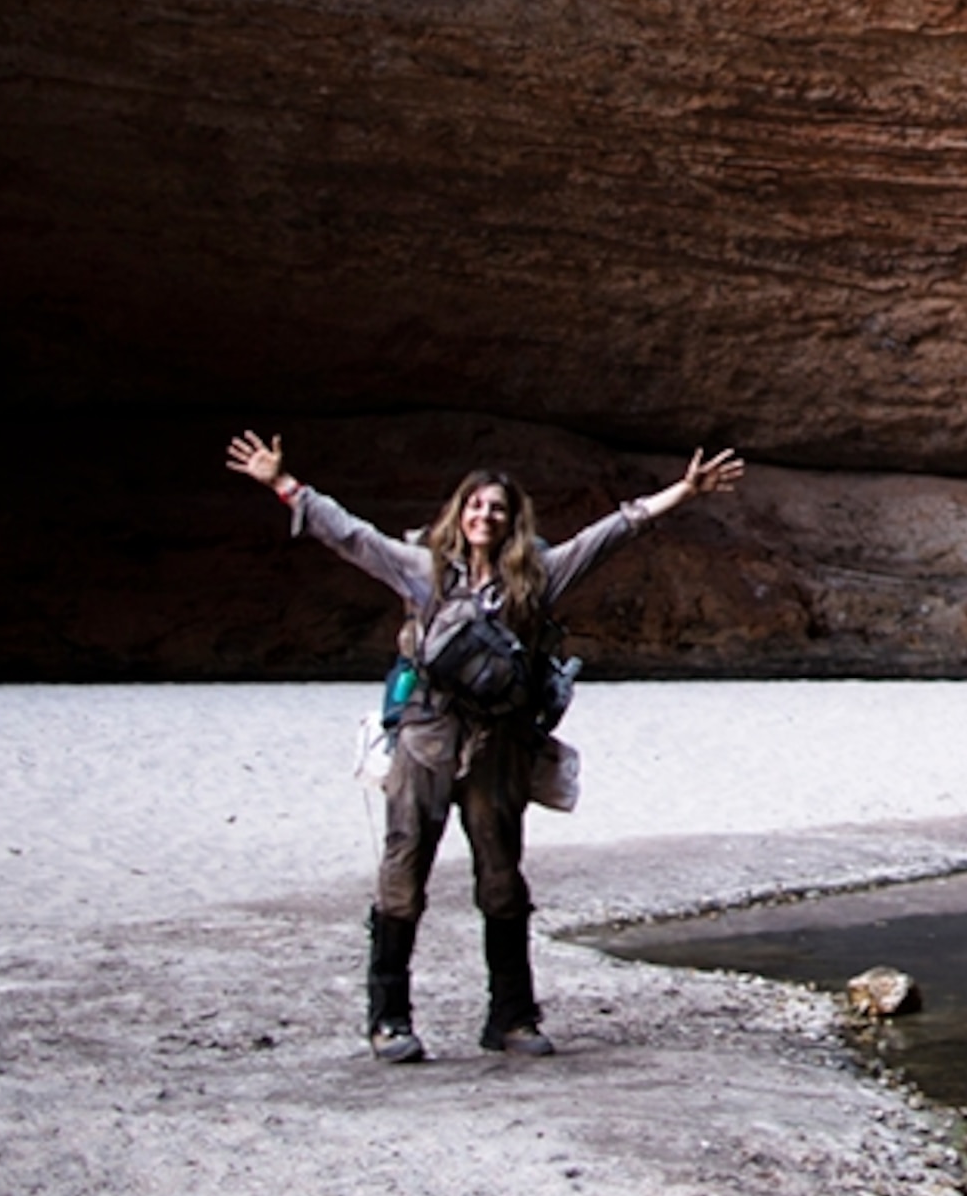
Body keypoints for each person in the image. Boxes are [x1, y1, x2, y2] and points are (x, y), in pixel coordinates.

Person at [226, 430, 745, 1061]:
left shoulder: (539, 577)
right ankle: (389, 1019)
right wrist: (284, 485)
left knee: (501, 879)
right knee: (404, 869)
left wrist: (684, 493)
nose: (485, 516)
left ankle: (511, 1019)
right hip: (426, 736)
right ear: (459, 513)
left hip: (499, 746)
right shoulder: (424, 571)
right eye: (475, 506)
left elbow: (612, 532)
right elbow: (352, 537)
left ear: (512, 519)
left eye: (497, 508)